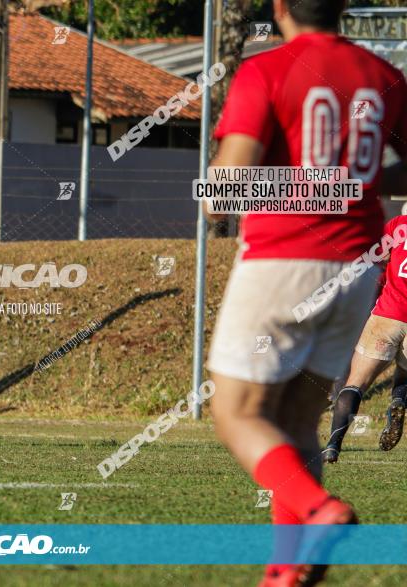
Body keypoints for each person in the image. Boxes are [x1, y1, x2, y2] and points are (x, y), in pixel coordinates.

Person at [205, 0, 407, 584]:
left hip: (283, 258)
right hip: (357, 267)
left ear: (280, 8)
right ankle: (288, 569)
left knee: (236, 412)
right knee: (298, 424)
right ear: (342, 6)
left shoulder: (267, 69)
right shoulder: (385, 75)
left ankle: (320, 510)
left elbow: (226, 190)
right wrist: (359, 180)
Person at [323, 216, 407, 462]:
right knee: (403, 376)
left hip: (387, 316)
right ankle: (398, 401)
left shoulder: (401, 225)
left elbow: (371, 257)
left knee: (356, 383)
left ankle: (333, 445)